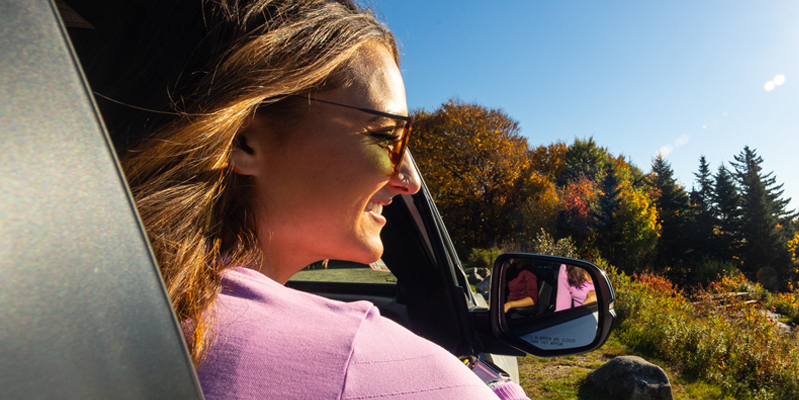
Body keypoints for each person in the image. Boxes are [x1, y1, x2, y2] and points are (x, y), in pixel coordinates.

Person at [76, 1, 528, 399]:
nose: (408, 179)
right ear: (244, 140)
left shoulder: (85, 303)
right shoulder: (361, 363)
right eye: (388, 136)